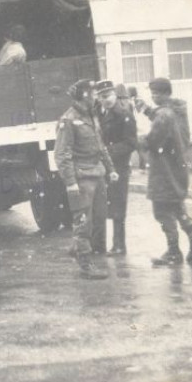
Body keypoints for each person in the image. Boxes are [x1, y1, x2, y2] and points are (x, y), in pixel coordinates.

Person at [134, 78, 192, 267]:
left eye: (156, 94)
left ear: (166, 93)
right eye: (152, 94)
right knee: (177, 206)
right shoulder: (177, 111)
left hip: (163, 170)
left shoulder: (164, 115)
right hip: (177, 167)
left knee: (162, 210)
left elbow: (153, 140)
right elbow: (164, 120)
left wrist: (137, 139)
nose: (154, 97)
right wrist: (147, 110)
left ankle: (173, 252)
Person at [54, 77, 118, 280]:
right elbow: (62, 155)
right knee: (83, 221)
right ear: (83, 96)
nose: (96, 97)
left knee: (99, 218)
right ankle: (85, 265)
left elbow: (100, 146)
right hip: (82, 178)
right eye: (92, 94)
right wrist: (71, 182)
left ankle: (82, 249)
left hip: (97, 175)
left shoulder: (92, 116)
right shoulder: (68, 120)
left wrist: (110, 169)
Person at [95, 79, 137, 255]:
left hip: (118, 167)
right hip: (105, 166)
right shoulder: (100, 113)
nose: (107, 99)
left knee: (118, 206)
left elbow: (130, 143)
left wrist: (107, 152)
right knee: (103, 205)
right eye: (103, 97)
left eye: (109, 95)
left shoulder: (124, 114)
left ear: (115, 94)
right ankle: (100, 244)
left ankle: (119, 245)